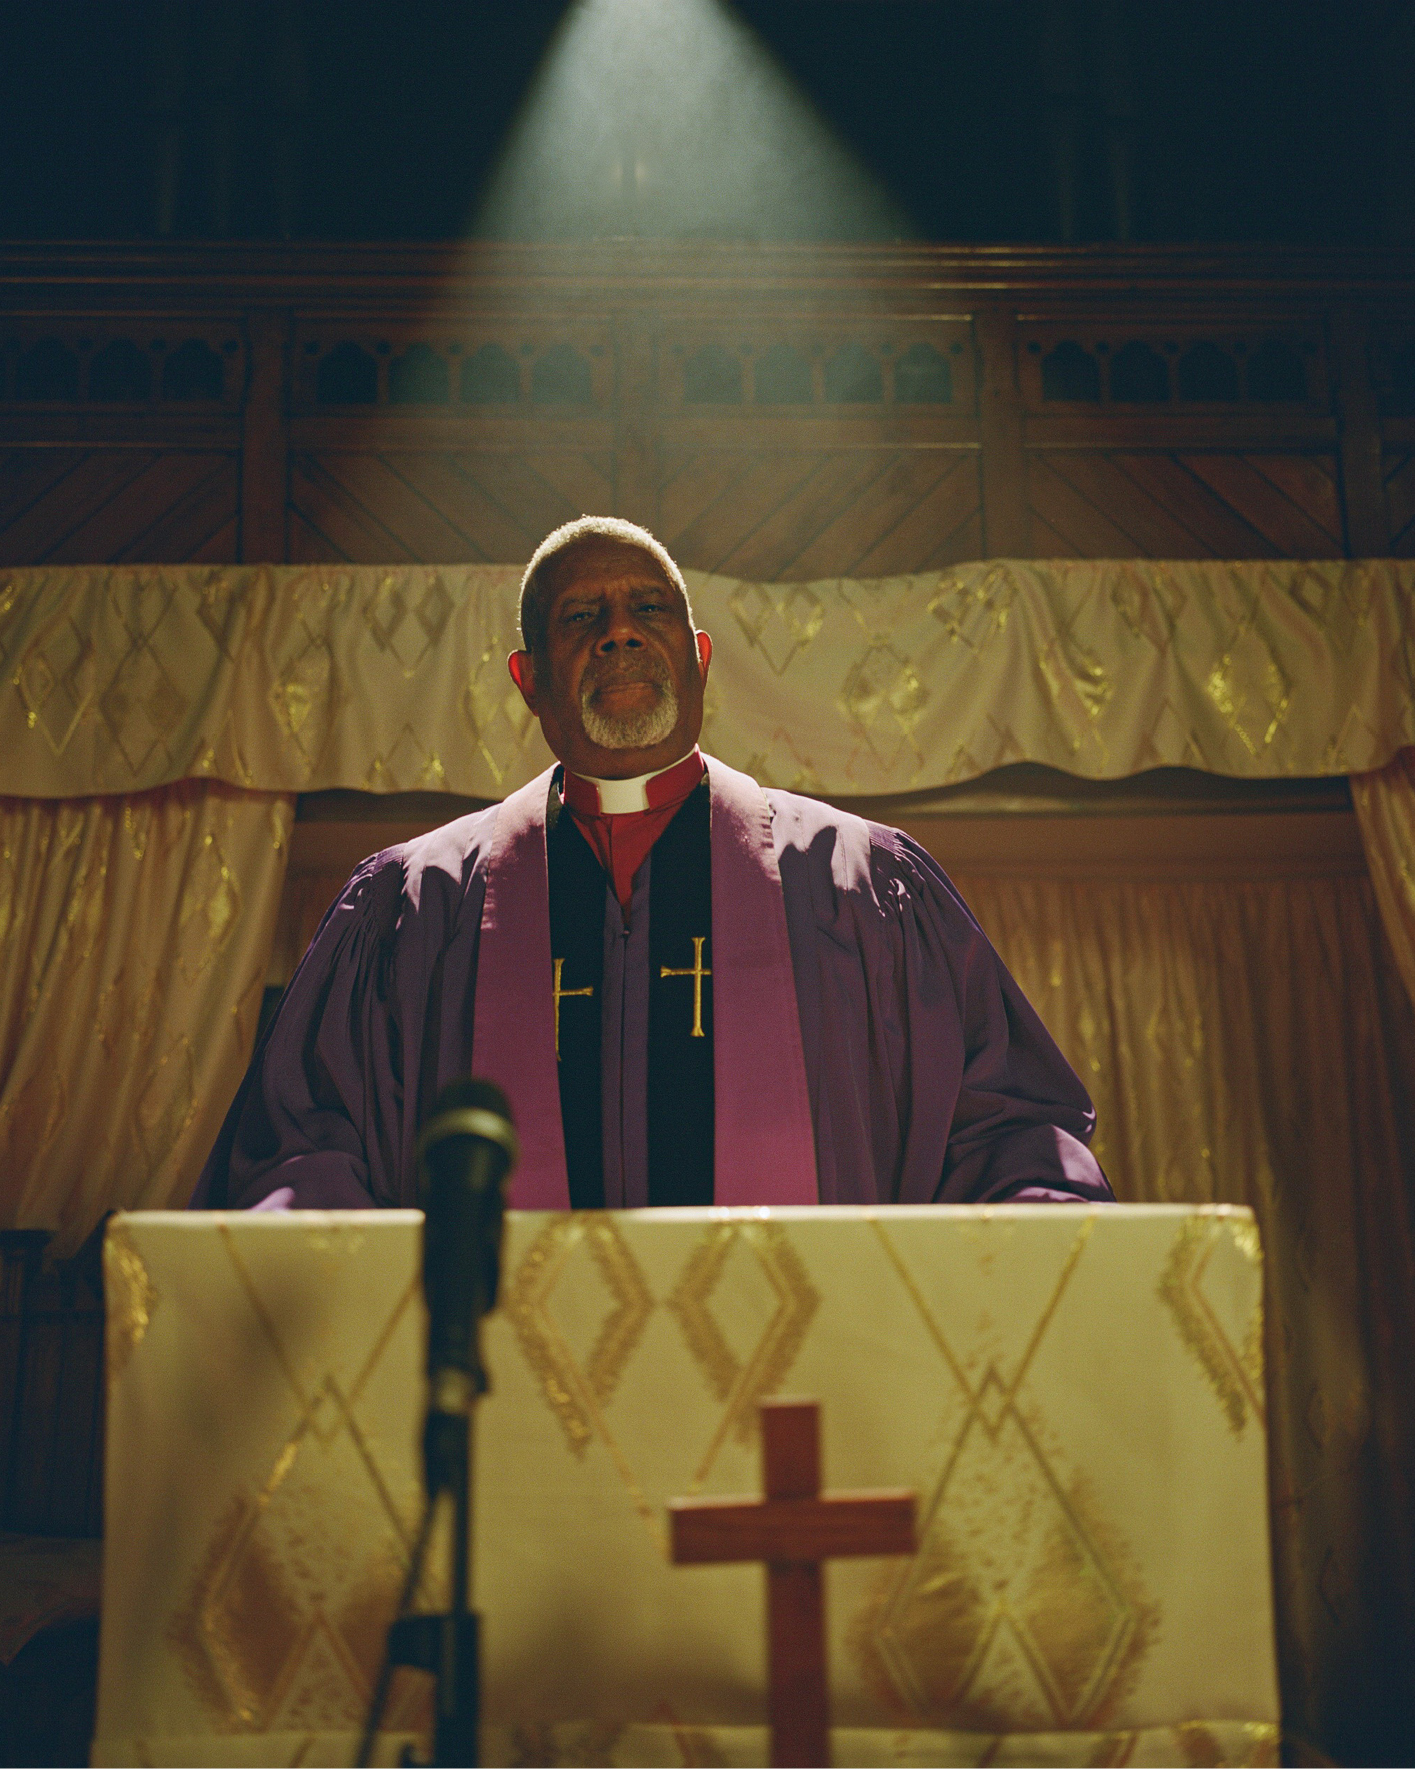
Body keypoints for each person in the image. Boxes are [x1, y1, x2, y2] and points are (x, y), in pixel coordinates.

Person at [194, 516, 1111, 1212]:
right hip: (503, 1417)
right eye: (581, 617)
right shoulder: (415, 908)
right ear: (530, 679)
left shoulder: (861, 885)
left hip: (806, 1399)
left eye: (649, 610)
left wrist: (1042, 1221)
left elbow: (1005, 1124)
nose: (619, 633)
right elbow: (299, 1150)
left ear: (699, 657)